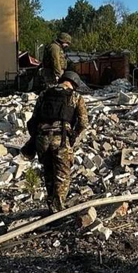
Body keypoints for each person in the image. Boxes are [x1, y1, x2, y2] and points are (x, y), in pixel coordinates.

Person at [25, 71, 89, 212]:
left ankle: (51, 206)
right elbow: (84, 122)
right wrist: (73, 136)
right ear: (74, 84)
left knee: (48, 172)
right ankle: (58, 210)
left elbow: (33, 120)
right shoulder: (75, 97)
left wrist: (35, 138)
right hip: (61, 140)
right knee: (62, 176)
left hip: (42, 139)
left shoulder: (44, 94)